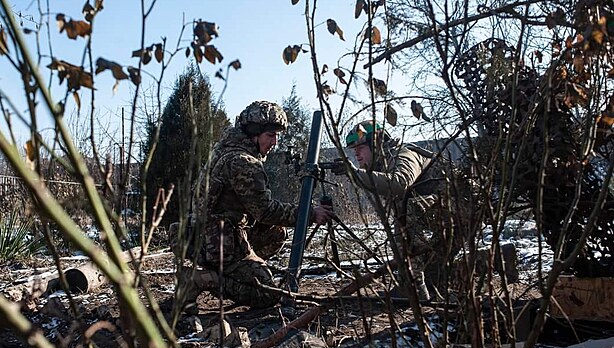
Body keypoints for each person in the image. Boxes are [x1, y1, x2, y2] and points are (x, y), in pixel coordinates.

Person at [173, 100, 334, 314]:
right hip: (219, 243)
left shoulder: (224, 151)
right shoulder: (242, 162)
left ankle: (236, 272)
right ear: (254, 133)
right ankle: (202, 278)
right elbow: (265, 211)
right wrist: (310, 213)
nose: (275, 142)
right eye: (270, 135)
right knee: (267, 294)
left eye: (277, 136)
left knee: (276, 234)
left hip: (207, 236)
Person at [332, 120, 440, 301]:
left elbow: (399, 183)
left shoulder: (402, 154)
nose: (356, 154)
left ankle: (414, 289)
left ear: (376, 144)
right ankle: (416, 288)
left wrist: (357, 174)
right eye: (354, 149)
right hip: (444, 213)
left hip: (461, 209)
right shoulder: (382, 164)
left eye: (361, 147)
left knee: (406, 215)